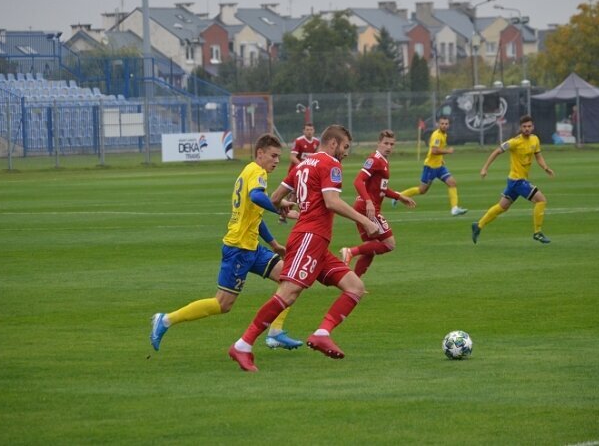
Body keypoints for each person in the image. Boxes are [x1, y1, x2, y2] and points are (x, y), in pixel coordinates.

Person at [228, 124, 381, 372]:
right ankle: (243, 344)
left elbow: (275, 198)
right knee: (288, 293)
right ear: (332, 143)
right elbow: (332, 202)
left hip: (315, 242)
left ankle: (322, 333)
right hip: (310, 238)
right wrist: (364, 221)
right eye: (344, 147)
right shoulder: (331, 164)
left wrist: (290, 207)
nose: (345, 153)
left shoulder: (302, 165)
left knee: (355, 287)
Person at [150, 134, 303, 352]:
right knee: (222, 304)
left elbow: (254, 216)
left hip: (253, 248)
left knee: (291, 280)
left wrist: (274, 243)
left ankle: (275, 332)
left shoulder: (250, 172)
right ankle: (165, 320)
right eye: (273, 155)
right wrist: (279, 207)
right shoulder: (256, 172)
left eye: (279, 156)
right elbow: (256, 198)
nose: (277, 161)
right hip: (239, 249)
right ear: (260, 154)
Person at [339, 130, 415, 277]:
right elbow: (358, 181)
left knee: (370, 249)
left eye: (392, 144)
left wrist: (399, 197)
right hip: (368, 209)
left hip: (364, 207)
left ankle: (354, 283)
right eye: (386, 143)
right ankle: (350, 252)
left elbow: (382, 188)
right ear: (378, 143)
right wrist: (369, 202)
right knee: (389, 244)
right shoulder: (375, 160)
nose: (389, 147)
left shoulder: (383, 161)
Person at [471, 115, 555, 245]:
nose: (527, 129)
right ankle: (537, 232)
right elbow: (496, 151)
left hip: (513, 181)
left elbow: (538, 155)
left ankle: (479, 225)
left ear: (533, 127)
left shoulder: (535, 140)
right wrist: (484, 168)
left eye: (529, 126)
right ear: (520, 128)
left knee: (502, 207)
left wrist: (545, 168)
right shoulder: (514, 142)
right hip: (518, 181)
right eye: (524, 127)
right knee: (541, 200)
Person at [396, 115, 468, 216]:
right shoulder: (437, 135)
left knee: (452, 183)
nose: (444, 125)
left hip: (439, 167)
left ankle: (454, 208)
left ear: (449, 125)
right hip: (430, 167)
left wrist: (441, 160)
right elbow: (434, 151)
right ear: (438, 124)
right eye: (442, 124)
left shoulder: (444, 135)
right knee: (422, 190)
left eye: (446, 124)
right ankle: (399, 196)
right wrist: (448, 151)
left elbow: (437, 150)